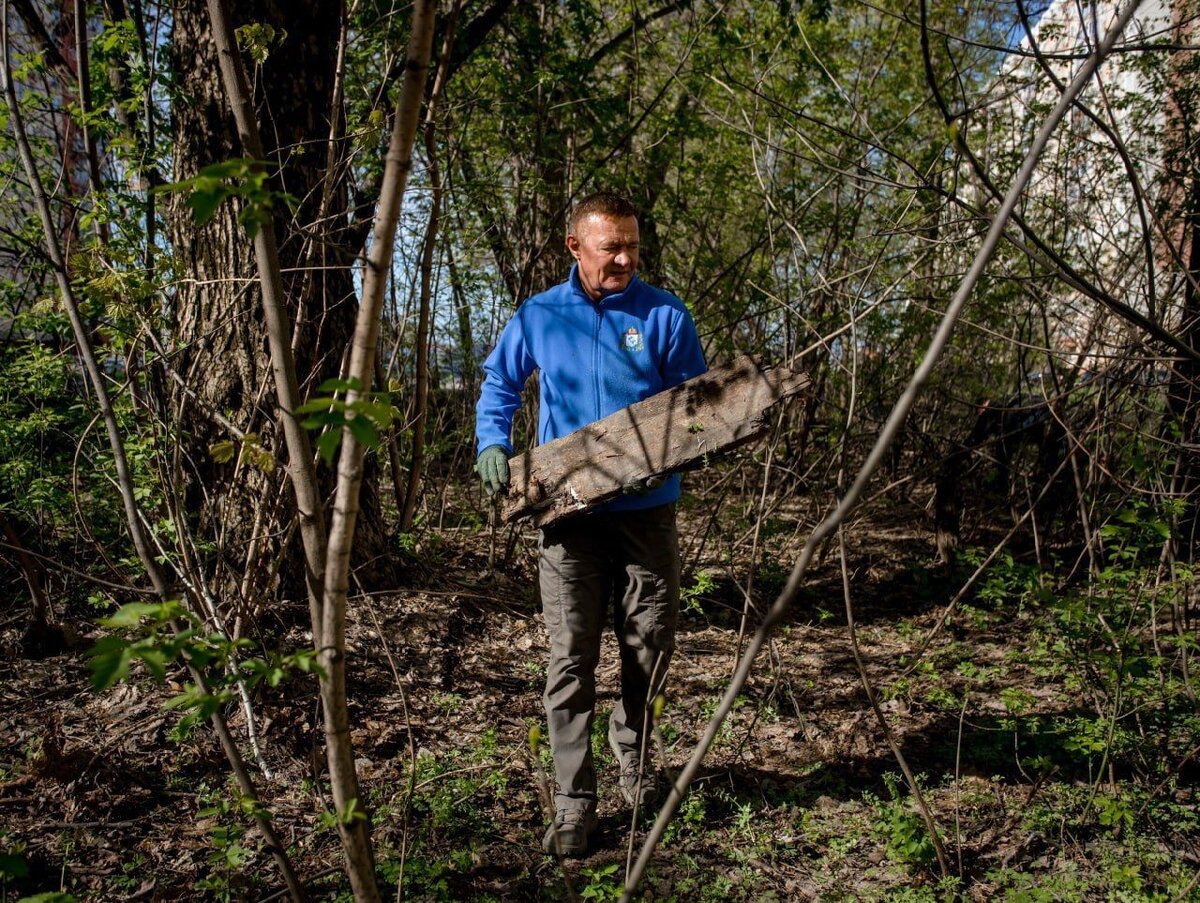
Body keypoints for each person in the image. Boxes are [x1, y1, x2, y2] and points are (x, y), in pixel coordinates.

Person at [474, 191, 707, 856]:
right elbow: (499, 385)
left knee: (649, 645)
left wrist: (676, 453)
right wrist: (493, 441)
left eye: (633, 244)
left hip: (648, 516)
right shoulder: (540, 315)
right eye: (612, 246)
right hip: (567, 518)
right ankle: (575, 800)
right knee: (570, 658)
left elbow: (697, 406)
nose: (626, 257)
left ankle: (633, 762)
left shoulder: (663, 313)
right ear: (575, 246)